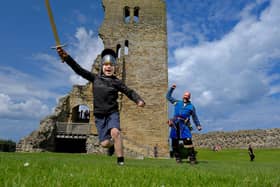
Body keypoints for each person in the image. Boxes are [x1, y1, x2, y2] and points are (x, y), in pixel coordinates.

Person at [56, 47, 145, 165]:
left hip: (112, 113)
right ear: (102, 67)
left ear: (114, 68)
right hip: (99, 116)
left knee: (116, 132)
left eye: (111, 65)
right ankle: (113, 143)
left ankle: (120, 161)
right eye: (106, 65)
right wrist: (67, 58)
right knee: (105, 144)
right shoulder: (95, 78)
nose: (108, 67)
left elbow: (129, 91)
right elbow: (79, 70)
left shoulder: (117, 82)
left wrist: (138, 100)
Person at [166, 84, 202, 164]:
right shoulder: (177, 103)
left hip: (184, 125)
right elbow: (168, 97)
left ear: (189, 97)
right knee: (174, 141)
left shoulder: (191, 107)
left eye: (187, 96)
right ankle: (177, 158)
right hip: (175, 124)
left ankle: (192, 158)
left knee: (188, 141)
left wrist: (198, 125)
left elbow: (194, 117)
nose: (185, 97)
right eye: (185, 95)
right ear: (183, 96)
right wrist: (172, 89)